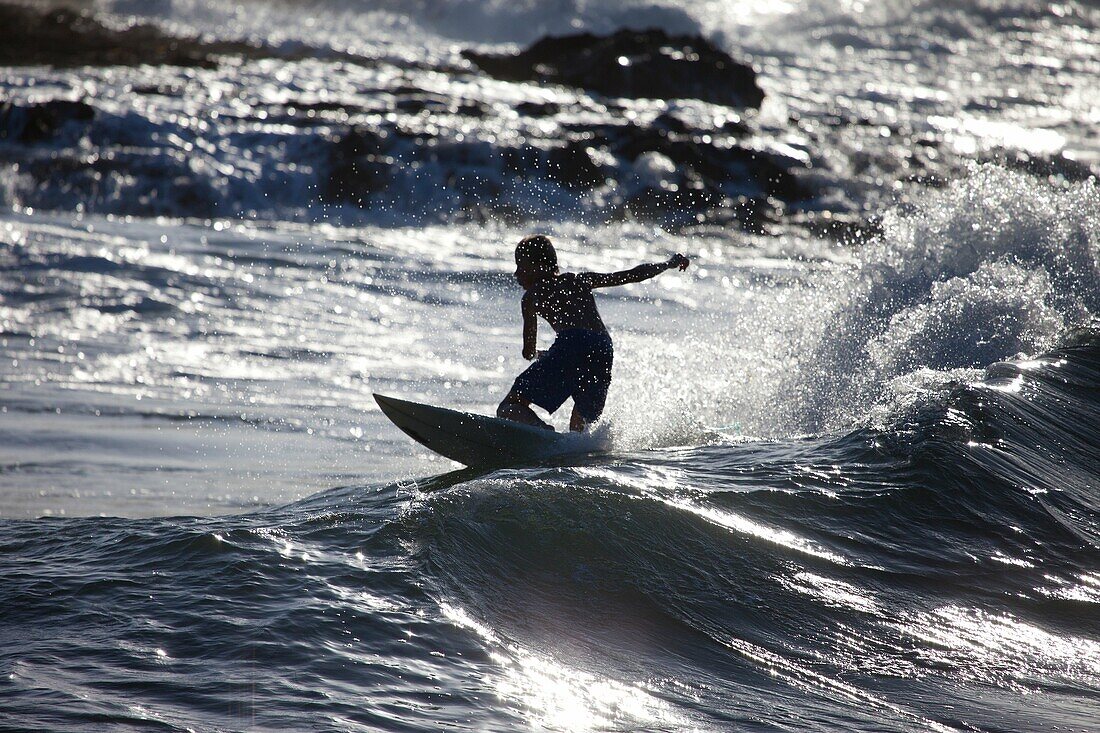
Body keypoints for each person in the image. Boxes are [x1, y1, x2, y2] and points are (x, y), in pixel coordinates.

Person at [497, 234, 690, 432]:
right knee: (580, 427)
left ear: (538, 266)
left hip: (571, 344)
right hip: (603, 347)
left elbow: (528, 352)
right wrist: (668, 263)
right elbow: (630, 275)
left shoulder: (532, 297)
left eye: (521, 266)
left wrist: (540, 355)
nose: (516, 273)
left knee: (509, 406)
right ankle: (572, 449)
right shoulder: (581, 280)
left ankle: (542, 432)